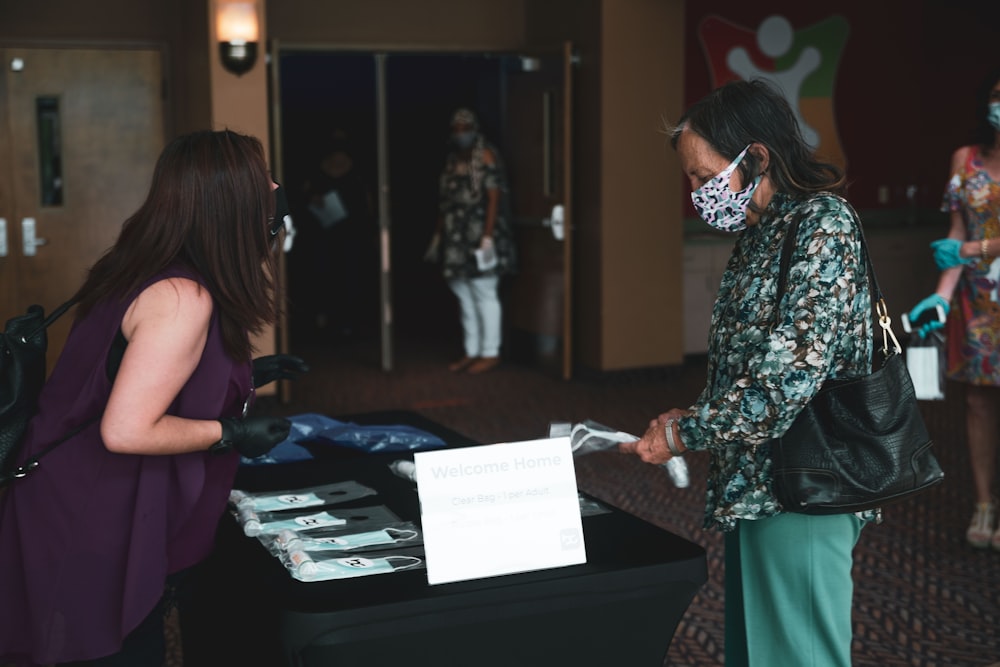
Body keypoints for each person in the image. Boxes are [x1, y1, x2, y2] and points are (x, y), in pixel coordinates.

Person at [0, 129, 308, 666]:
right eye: (264, 181)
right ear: (230, 204)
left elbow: (141, 372)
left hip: (69, 492)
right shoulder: (181, 296)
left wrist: (246, 374)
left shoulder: (141, 265)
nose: (276, 188)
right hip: (90, 513)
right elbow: (126, 428)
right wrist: (229, 432)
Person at [619, 79, 875, 666]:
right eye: (690, 179)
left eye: (706, 176)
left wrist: (685, 435)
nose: (697, 192)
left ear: (757, 156)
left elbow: (785, 381)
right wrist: (694, 413)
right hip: (758, 483)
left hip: (807, 481)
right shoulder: (762, 233)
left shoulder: (821, 225)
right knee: (760, 654)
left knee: (797, 655)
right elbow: (749, 364)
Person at [908, 66, 1000, 550]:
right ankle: (985, 502)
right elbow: (956, 235)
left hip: (981, 273)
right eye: (996, 95)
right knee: (980, 404)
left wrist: (969, 253)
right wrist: (941, 297)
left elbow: (966, 248)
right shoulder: (965, 160)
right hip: (978, 302)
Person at [425, 108, 517, 374]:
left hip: (480, 235)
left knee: (484, 290)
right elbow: (446, 202)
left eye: (465, 128)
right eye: (456, 128)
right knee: (464, 293)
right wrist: (438, 235)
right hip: (456, 237)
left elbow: (493, 198)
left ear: (475, 128)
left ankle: (490, 351)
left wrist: (487, 236)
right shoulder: (454, 159)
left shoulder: (485, 155)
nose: (461, 133)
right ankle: (472, 349)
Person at [296, 127, 377, 341]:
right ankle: (325, 320)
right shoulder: (317, 170)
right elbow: (303, 195)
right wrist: (311, 198)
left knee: (350, 276)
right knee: (324, 274)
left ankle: (348, 323)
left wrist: (372, 229)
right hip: (323, 234)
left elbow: (368, 203)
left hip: (351, 235)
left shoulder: (358, 171)